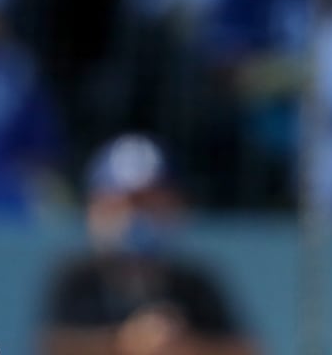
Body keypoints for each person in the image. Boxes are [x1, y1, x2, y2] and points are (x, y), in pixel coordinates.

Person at [40, 133, 259, 355]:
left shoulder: (194, 284)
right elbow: (52, 346)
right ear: (95, 208)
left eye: (150, 202)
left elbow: (246, 349)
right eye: (124, 202)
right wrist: (124, 341)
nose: (136, 215)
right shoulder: (77, 280)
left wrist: (184, 344)